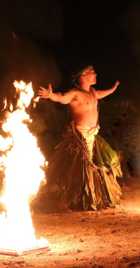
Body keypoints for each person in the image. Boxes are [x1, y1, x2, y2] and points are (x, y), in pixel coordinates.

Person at [38, 65, 122, 211]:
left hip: (93, 135)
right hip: (80, 137)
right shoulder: (75, 93)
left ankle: (90, 198)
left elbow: (101, 94)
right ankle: (64, 202)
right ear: (83, 75)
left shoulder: (93, 92)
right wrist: (50, 94)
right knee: (76, 171)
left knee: (108, 160)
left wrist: (112, 90)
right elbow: (61, 98)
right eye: (92, 73)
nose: (96, 74)